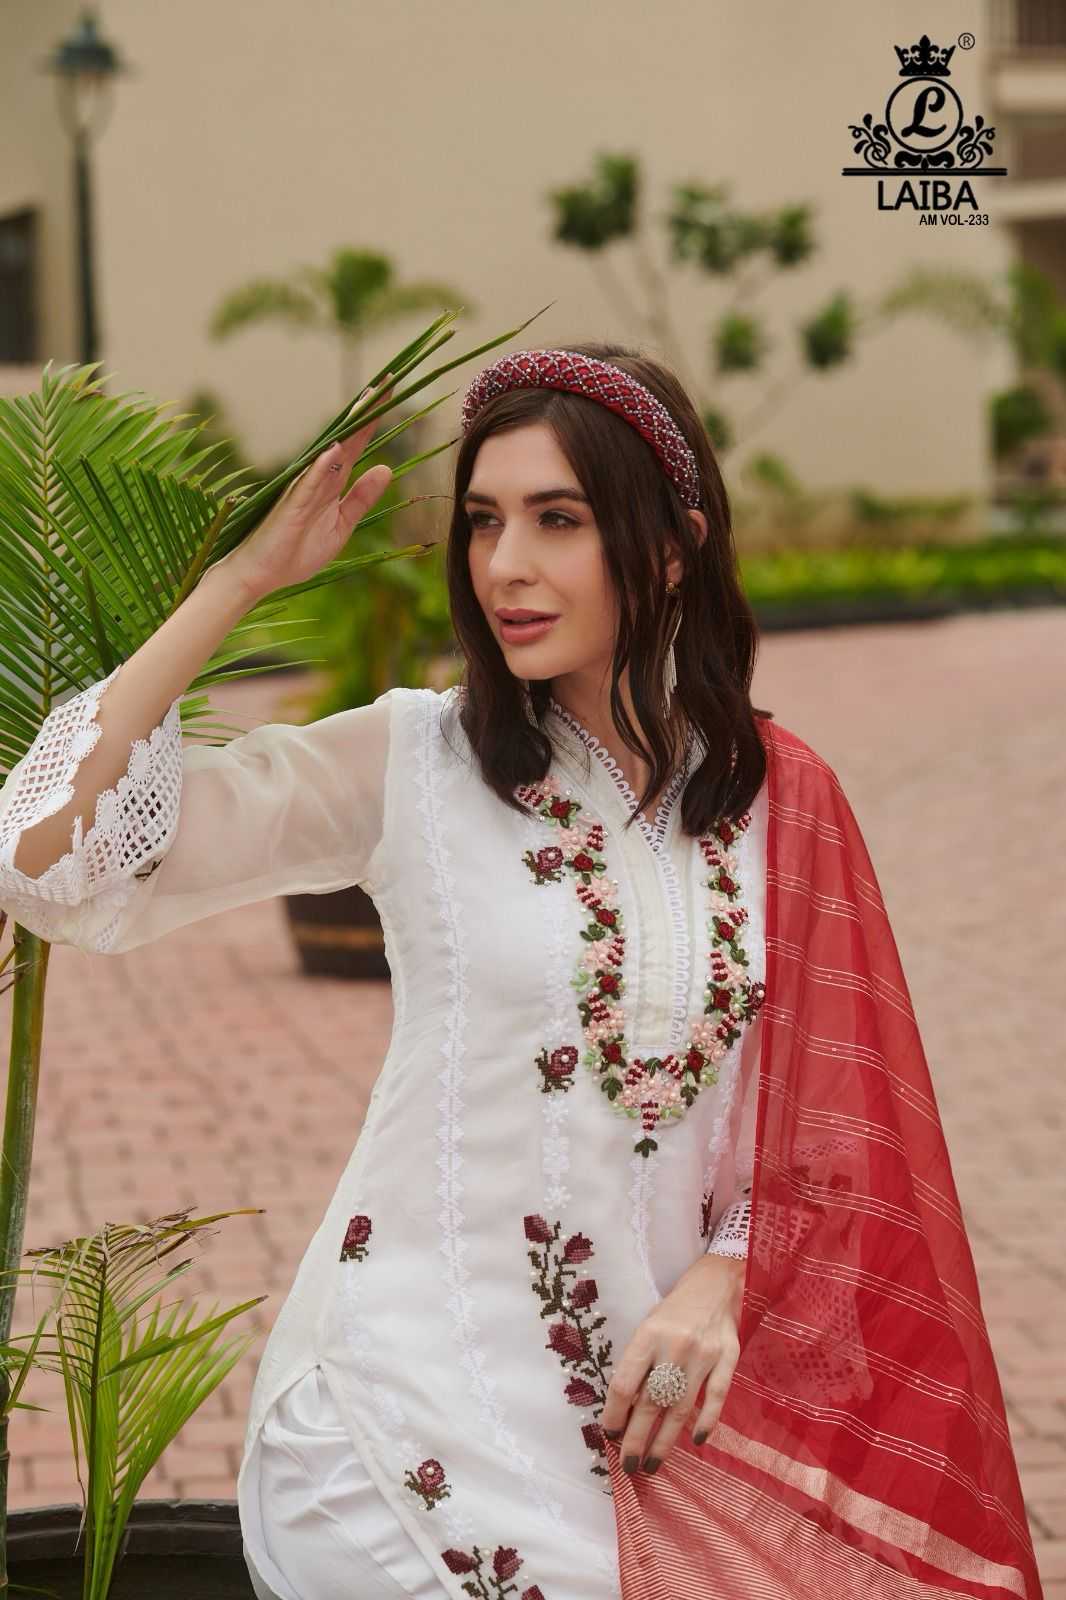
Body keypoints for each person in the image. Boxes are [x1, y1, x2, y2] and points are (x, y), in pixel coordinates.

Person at [0, 346, 1041, 1600]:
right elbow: (49, 863)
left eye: (558, 520)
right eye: (484, 521)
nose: (504, 565)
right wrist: (239, 583)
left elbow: (826, 1133)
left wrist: (725, 1274)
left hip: (650, 1430)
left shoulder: (779, 802)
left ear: (672, 548)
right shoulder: (414, 764)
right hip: (396, 1420)